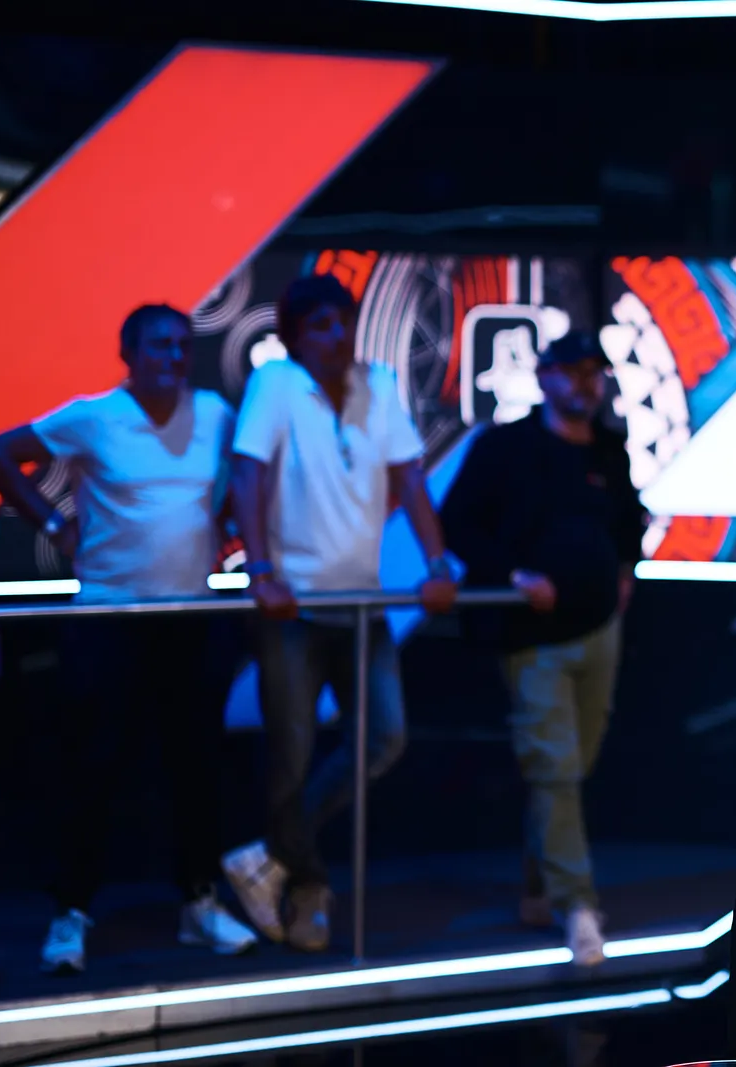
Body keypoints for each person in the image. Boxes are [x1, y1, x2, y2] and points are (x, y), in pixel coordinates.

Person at [0, 304, 256, 974]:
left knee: (196, 770)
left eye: (182, 345)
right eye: (159, 344)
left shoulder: (214, 412)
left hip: (190, 617)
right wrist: (53, 524)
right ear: (128, 354)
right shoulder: (94, 416)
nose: (173, 356)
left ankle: (198, 901)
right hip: (108, 619)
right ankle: (71, 912)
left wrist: (224, 526)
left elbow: (244, 482)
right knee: (92, 770)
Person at [221, 274, 457, 952]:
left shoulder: (378, 384)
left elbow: (410, 477)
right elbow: (247, 475)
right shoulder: (276, 384)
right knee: (290, 756)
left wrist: (437, 562)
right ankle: (305, 886)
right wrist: (260, 572)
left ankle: (268, 856)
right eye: (321, 325)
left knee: (385, 737)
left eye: (344, 322)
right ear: (295, 337)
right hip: (293, 606)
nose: (338, 336)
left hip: (361, 602)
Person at [440, 331, 646, 966]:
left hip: (600, 629)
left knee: (574, 765)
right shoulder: (506, 447)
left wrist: (624, 573)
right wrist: (513, 576)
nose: (586, 382)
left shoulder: (609, 449)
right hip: (532, 636)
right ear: (544, 376)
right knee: (554, 767)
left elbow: (628, 523)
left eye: (594, 372)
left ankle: (538, 888)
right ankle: (578, 905)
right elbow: (457, 522)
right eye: (573, 370)